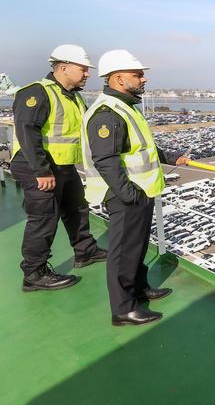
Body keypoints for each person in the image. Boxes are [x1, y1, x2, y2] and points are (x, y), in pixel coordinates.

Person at [81, 49, 189, 326]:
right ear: (118, 79)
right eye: (137, 75)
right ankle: (123, 309)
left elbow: (141, 148)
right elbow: (105, 158)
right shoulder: (108, 113)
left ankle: (139, 289)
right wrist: (129, 194)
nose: (143, 80)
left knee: (137, 247)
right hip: (126, 194)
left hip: (139, 192)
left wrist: (170, 157)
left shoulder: (125, 107)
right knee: (123, 251)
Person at [11, 45, 107, 292]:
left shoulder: (74, 96)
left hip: (63, 165)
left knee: (77, 207)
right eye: (83, 69)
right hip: (38, 166)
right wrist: (42, 171)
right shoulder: (37, 92)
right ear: (64, 68)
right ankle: (34, 273)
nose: (87, 74)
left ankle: (85, 251)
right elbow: (27, 132)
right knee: (44, 219)